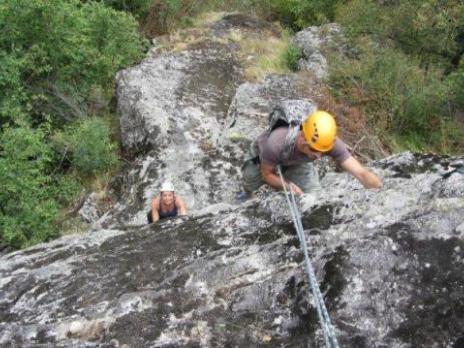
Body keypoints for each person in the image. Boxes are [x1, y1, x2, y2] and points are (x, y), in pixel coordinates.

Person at [241, 110, 382, 195]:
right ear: (302, 137)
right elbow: (267, 174)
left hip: (298, 162)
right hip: (263, 156)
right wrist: (287, 185)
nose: (319, 156)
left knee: (313, 196)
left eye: (323, 151)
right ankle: (246, 192)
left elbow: (360, 173)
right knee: (250, 179)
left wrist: (380, 191)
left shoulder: (327, 141)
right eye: (315, 150)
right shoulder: (275, 143)